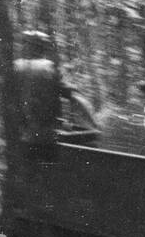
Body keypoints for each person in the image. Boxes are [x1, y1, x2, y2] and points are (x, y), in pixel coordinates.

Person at [13, 31, 96, 161]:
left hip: (19, 137)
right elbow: (73, 96)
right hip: (45, 138)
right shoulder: (48, 67)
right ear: (41, 49)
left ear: (26, 47)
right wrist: (93, 126)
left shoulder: (14, 67)